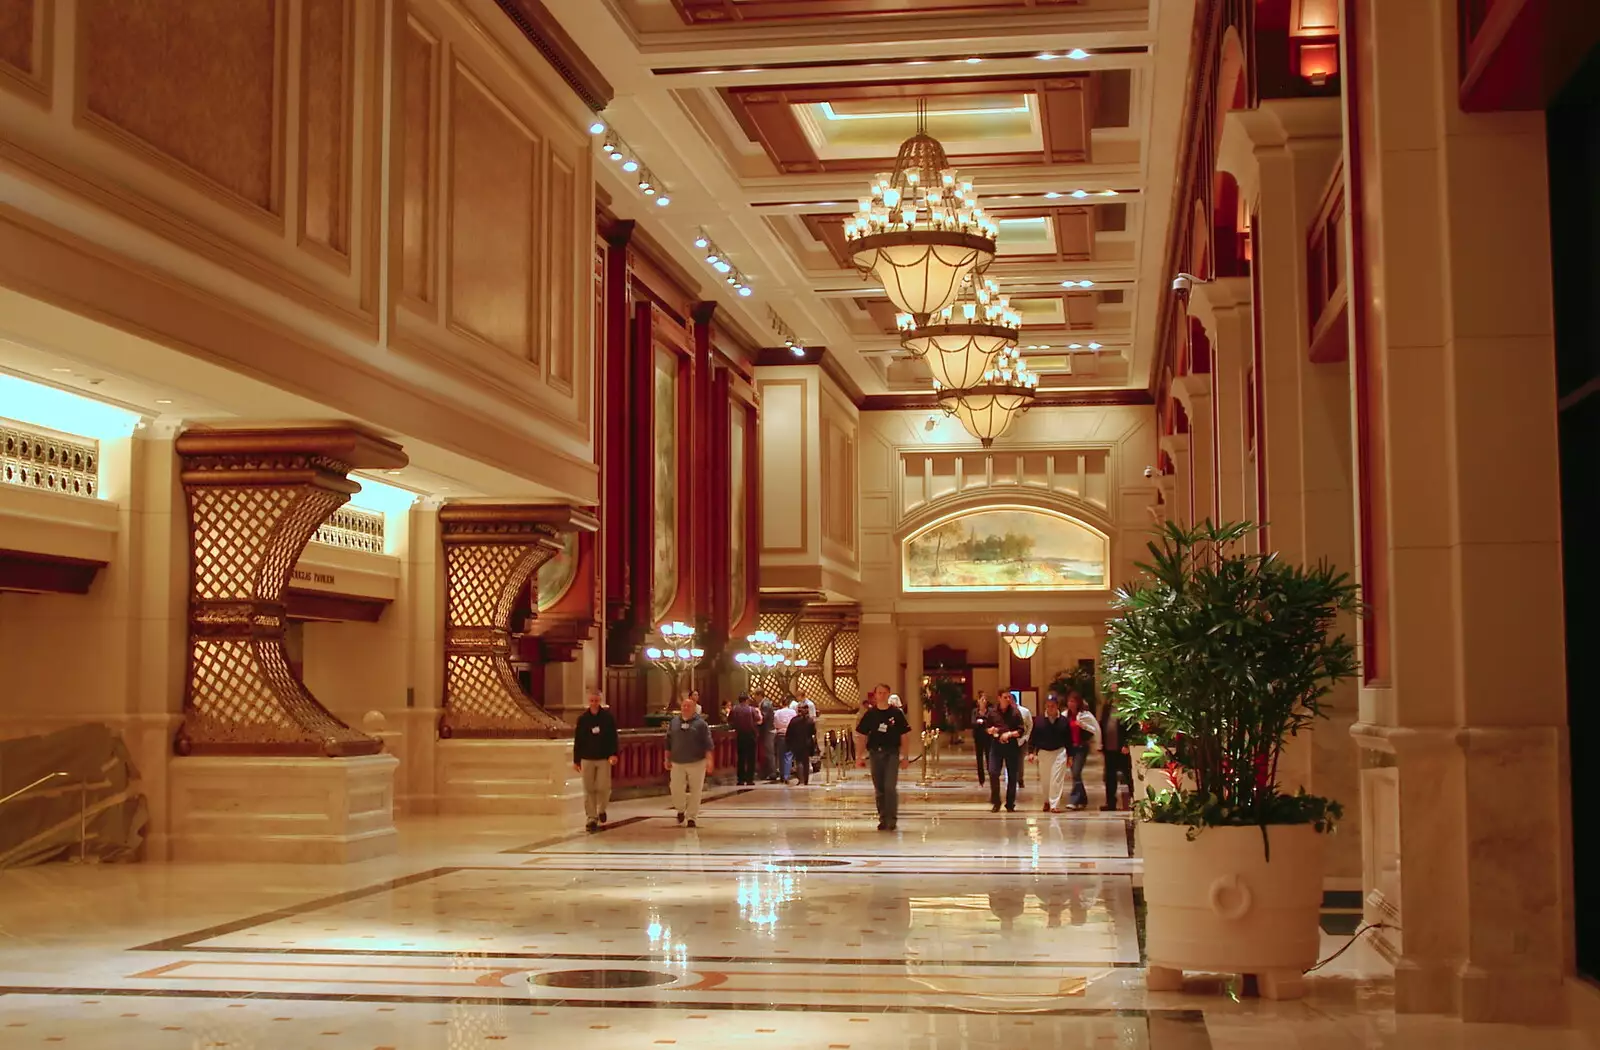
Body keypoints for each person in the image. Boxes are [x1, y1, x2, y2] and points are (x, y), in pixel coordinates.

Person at [854, 682, 911, 830]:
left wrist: (905, 757)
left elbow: (904, 735)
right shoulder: (871, 714)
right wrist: (859, 756)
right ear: (875, 695)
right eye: (879, 693)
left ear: (888, 694)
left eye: (885, 693)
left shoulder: (896, 714)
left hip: (891, 753)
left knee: (889, 787)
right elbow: (861, 735)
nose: (882, 695)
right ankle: (883, 818)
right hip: (875, 753)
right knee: (879, 788)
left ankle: (892, 819)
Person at [664, 692, 715, 828]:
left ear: (694, 708)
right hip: (677, 761)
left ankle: (692, 817)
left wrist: (709, 760)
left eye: (688, 706)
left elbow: (708, 743)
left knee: (696, 790)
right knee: (675, 788)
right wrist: (667, 758)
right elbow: (668, 742)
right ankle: (681, 808)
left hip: (697, 761)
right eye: (684, 706)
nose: (686, 708)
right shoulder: (674, 722)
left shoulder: (701, 724)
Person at [572, 690, 618, 832]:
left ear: (600, 701)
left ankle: (601, 809)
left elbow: (613, 738)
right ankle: (591, 817)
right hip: (587, 757)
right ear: (589, 701)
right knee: (588, 788)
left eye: (596, 701)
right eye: (592, 701)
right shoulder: (583, 719)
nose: (594, 703)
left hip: (604, 757)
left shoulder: (608, 718)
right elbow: (578, 740)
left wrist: (613, 754)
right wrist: (576, 760)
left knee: (603, 787)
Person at [1028, 694, 1072, 814]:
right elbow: (1033, 737)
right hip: (1044, 752)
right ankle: (1047, 801)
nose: (1050, 708)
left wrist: (1070, 756)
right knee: (1046, 780)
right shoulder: (1039, 720)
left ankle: (1054, 804)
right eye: (1048, 706)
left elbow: (1069, 739)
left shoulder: (1063, 721)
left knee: (1056, 779)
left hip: (1059, 752)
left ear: (1057, 706)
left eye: (1052, 706)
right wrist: (1031, 752)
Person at [986, 692, 1027, 812]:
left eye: (1009, 697)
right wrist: (990, 730)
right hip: (996, 747)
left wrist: (1010, 734)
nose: (1008, 699)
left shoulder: (1015, 712)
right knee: (993, 772)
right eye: (1005, 697)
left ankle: (1010, 803)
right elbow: (987, 728)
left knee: (1012, 775)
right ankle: (996, 801)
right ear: (999, 698)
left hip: (1011, 747)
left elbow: (1021, 730)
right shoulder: (993, 713)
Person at [1063, 691, 1102, 811]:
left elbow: (1095, 730)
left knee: (1076, 772)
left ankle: (1074, 800)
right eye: (1069, 701)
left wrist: (1083, 726)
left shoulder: (1086, 715)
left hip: (1081, 747)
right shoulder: (1065, 715)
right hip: (1070, 748)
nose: (1071, 704)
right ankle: (1083, 799)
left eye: (1073, 701)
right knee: (1076, 774)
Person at [1098, 686, 1133, 811]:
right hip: (1109, 748)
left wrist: (1127, 744)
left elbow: (1131, 729)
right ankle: (1111, 802)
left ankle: (1134, 800)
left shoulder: (1127, 709)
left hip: (1122, 748)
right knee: (1109, 776)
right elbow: (1102, 725)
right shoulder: (1107, 708)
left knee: (1128, 775)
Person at [728, 693, 761, 785]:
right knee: (751, 758)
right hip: (751, 735)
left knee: (741, 757)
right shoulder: (751, 709)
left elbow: (729, 720)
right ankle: (750, 779)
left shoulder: (734, 709)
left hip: (740, 735)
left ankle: (741, 779)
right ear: (747, 700)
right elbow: (758, 719)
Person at [787, 702, 817, 786]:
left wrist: (789, 743)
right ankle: (806, 780)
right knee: (805, 762)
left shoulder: (794, 720)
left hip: (796, 743)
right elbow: (813, 732)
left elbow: (789, 733)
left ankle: (801, 780)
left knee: (798, 761)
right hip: (807, 743)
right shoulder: (810, 721)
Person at [772, 696, 799, 782]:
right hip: (790, 735)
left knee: (781, 755)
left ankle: (782, 775)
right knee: (789, 755)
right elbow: (795, 723)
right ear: (788, 704)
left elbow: (775, 724)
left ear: (781, 703)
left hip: (780, 734)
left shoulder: (777, 712)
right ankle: (787, 775)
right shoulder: (793, 712)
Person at [971, 693, 994, 786]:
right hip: (978, 738)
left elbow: (991, 722)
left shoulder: (990, 711)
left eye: (985, 700)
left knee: (990, 758)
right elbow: (973, 723)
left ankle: (992, 776)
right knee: (979, 759)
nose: (984, 702)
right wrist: (981, 722)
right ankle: (981, 779)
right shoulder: (974, 712)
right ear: (978, 701)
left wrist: (982, 721)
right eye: (982, 700)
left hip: (988, 738)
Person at [757, 691, 778, 782]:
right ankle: (768, 772)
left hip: (768, 730)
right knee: (767, 752)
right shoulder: (765, 703)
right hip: (768, 730)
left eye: (755, 695)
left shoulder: (765, 704)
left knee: (769, 752)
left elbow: (763, 717)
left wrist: (756, 713)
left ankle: (772, 773)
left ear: (759, 695)